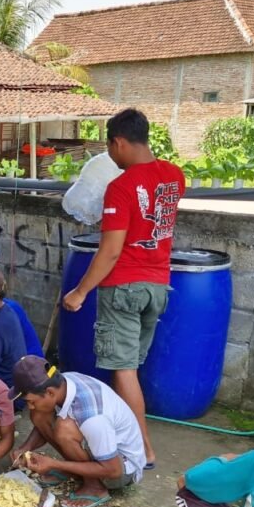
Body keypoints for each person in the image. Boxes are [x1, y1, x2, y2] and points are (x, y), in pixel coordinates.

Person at [60, 108, 185, 469]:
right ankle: (130, 436)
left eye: (109, 149)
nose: (110, 157)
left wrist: (80, 292)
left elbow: (111, 250)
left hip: (125, 287)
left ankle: (142, 448)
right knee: (132, 367)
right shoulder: (174, 176)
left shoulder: (122, 186)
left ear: (118, 142)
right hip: (159, 285)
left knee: (124, 369)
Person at [10, 355, 145, 507]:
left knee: (64, 429)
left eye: (32, 401)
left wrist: (54, 463)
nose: (30, 406)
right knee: (39, 414)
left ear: (50, 393)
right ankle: (75, 471)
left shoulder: (92, 417)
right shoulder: (63, 382)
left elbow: (114, 470)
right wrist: (25, 449)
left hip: (122, 469)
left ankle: (95, 487)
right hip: (102, 451)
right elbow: (44, 424)